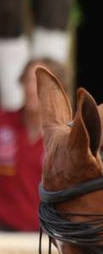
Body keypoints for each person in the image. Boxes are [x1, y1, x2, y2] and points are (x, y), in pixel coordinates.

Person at [0, 57, 68, 231]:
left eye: (38, 82)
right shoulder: (3, 123)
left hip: (44, 237)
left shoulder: (66, 137)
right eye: (27, 81)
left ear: (56, 89)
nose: (31, 89)